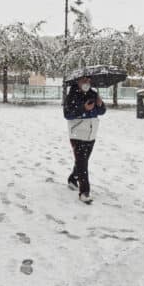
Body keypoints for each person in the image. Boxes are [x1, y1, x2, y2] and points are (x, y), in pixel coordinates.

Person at [63, 76, 106, 204]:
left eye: (88, 80)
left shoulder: (93, 93)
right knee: (83, 164)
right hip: (77, 134)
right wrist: (83, 109)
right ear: (78, 81)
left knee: (83, 161)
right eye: (83, 80)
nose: (86, 83)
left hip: (91, 133)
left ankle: (72, 179)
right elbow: (67, 114)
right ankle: (84, 192)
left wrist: (100, 104)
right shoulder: (72, 95)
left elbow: (101, 111)